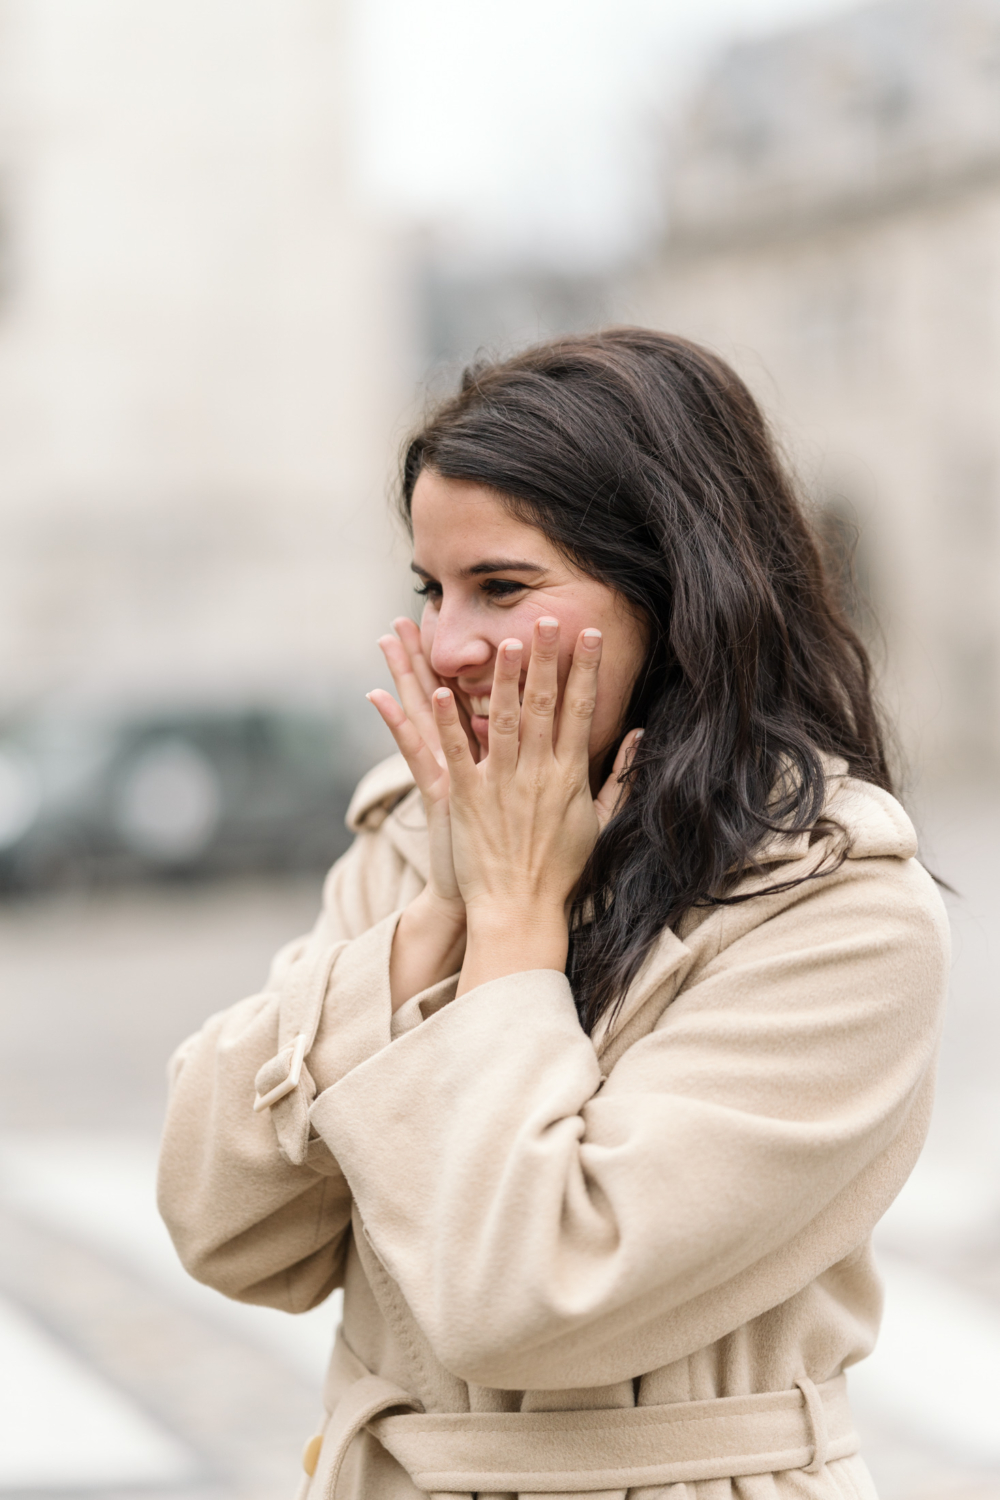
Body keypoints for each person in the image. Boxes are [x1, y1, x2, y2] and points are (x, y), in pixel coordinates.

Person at [158, 329, 949, 1500]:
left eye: (503, 588)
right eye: (432, 589)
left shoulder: (838, 912)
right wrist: (441, 912)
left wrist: (517, 923)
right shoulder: (414, 837)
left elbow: (517, 1296)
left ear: (676, 595)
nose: (445, 645)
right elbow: (224, 1227)